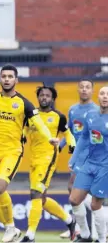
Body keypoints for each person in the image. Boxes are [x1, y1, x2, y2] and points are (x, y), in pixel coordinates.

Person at [0, 65, 59, 243]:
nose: (7, 79)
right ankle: (10, 228)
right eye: (4, 76)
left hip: (12, 152)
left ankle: (10, 227)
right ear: (0, 79)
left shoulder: (24, 103)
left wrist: (50, 138)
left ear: (16, 80)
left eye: (11, 76)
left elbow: (39, 124)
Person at [19, 85, 76, 242]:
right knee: (41, 199)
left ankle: (30, 235)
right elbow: (25, 130)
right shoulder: (32, 115)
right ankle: (70, 221)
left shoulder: (58, 116)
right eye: (41, 95)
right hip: (34, 159)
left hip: (48, 159)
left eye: (47, 95)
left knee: (35, 194)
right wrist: (22, 137)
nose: (44, 97)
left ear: (53, 99)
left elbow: (68, 133)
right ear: (38, 98)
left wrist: (72, 145)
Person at [59, 80, 99, 239]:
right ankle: (85, 230)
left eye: (87, 87)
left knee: (73, 188)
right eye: (81, 87)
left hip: (90, 156)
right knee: (76, 192)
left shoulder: (97, 110)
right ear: (78, 89)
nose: (84, 90)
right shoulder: (73, 110)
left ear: (92, 90)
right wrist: (60, 145)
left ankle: (83, 230)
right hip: (76, 156)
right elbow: (69, 131)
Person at [69, 86, 108, 243]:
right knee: (74, 200)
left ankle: (101, 239)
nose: (105, 96)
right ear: (97, 97)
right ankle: (85, 235)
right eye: (103, 93)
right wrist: (74, 159)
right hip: (89, 163)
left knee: (95, 204)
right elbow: (84, 138)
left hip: (105, 167)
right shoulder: (91, 115)